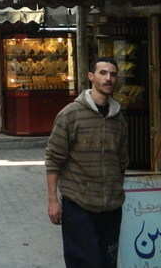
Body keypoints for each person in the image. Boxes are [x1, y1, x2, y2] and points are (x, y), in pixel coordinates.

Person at [45, 57, 128, 268]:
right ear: (91, 76)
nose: (108, 78)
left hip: (111, 206)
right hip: (79, 205)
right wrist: (53, 200)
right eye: (103, 73)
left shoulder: (118, 118)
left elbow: (121, 160)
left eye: (112, 74)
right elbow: (54, 159)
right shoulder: (70, 115)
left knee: (108, 262)